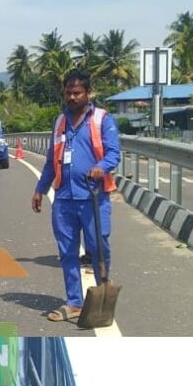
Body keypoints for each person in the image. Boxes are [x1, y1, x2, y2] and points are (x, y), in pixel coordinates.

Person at [31, 69, 120, 322]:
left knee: (98, 247)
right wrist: (40, 189)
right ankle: (74, 302)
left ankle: (102, 292)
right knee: (67, 251)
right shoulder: (60, 121)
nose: (72, 97)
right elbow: (52, 160)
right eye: (68, 92)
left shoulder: (102, 119)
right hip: (64, 198)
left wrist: (101, 167)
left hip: (93, 196)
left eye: (77, 92)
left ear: (88, 93)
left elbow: (114, 153)